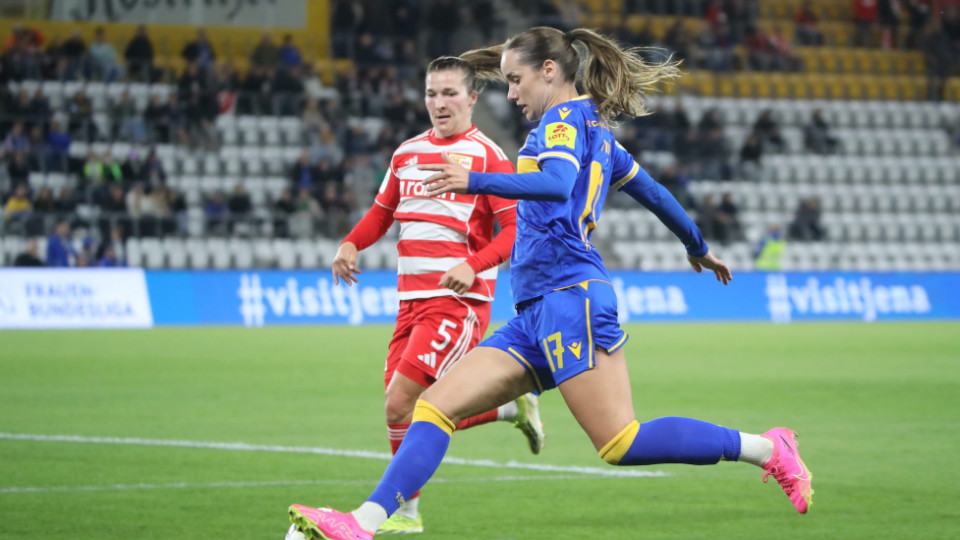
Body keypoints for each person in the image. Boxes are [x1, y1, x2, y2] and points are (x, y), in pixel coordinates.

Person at [289, 27, 813, 540]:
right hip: (537, 309)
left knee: (620, 441)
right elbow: (652, 192)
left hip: (571, 298)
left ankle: (768, 449)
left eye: (516, 81)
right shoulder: (599, 135)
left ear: (549, 71)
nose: (512, 94)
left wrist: (471, 179)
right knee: (434, 406)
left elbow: (558, 184)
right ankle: (362, 524)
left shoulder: (561, 121)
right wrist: (696, 244)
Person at [318, 56, 544, 537]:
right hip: (410, 302)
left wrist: (473, 264)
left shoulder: (488, 157)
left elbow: (514, 232)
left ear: (472, 98)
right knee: (403, 411)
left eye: (449, 94)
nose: (439, 104)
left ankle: (397, 513)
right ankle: (505, 409)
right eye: (431, 94)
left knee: (403, 403)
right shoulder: (406, 153)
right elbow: (382, 214)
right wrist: (351, 243)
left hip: (457, 303)